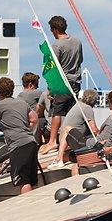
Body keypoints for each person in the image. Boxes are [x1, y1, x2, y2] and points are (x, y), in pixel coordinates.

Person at [42, 15, 83, 154]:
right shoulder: (77, 41)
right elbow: (80, 60)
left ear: (54, 29)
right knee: (71, 113)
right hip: (76, 82)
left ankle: (52, 141)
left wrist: (50, 89)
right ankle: (70, 142)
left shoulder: (56, 45)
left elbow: (54, 69)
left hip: (63, 83)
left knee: (56, 112)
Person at [47, 89, 100, 169]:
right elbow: (94, 130)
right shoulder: (87, 108)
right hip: (72, 139)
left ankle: (58, 159)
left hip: (63, 139)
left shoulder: (78, 105)